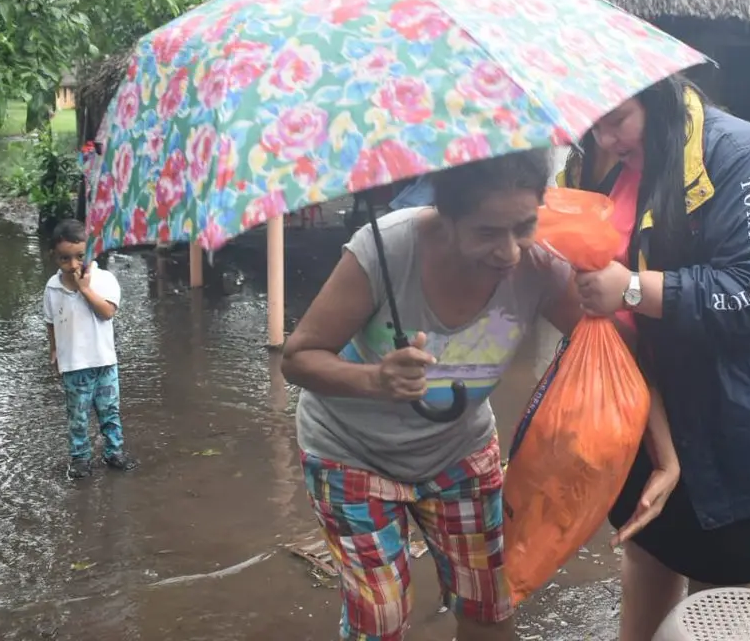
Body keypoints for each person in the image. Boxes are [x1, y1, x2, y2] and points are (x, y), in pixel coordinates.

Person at [282, 149, 678, 641]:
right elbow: (298, 357)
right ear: (446, 217)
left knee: (489, 606)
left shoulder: (539, 266)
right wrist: (375, 380)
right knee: (379, 617)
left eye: (524, 226)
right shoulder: (384, 251)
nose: (510, 250)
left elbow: (620, 357)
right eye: (487, 233)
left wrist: (665, 456)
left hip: (458, 455)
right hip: (350, 455)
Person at [570, 77, 750, 641]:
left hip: (742, 412)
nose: (605, 138)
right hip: (651, 401)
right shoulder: (600, 163)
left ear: (656, 99)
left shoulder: (745, 158)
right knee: (649, 542)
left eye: (618, 120)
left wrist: (631, 288)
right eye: (593, 123)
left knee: (724, 577)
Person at [43, 219, 138, 479]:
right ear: (54, 256)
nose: (73, 265)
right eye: (65, 258)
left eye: (79, 257)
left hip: (104, 362)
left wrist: (85, 289)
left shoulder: (103, 280)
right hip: (73, 365)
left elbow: (107, 312)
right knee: (77, 416)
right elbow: (51, 322)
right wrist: (54, 352)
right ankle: (80, 458)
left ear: (92, 252)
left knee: (110, 411)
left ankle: (114, 451)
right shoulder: (52, 288)